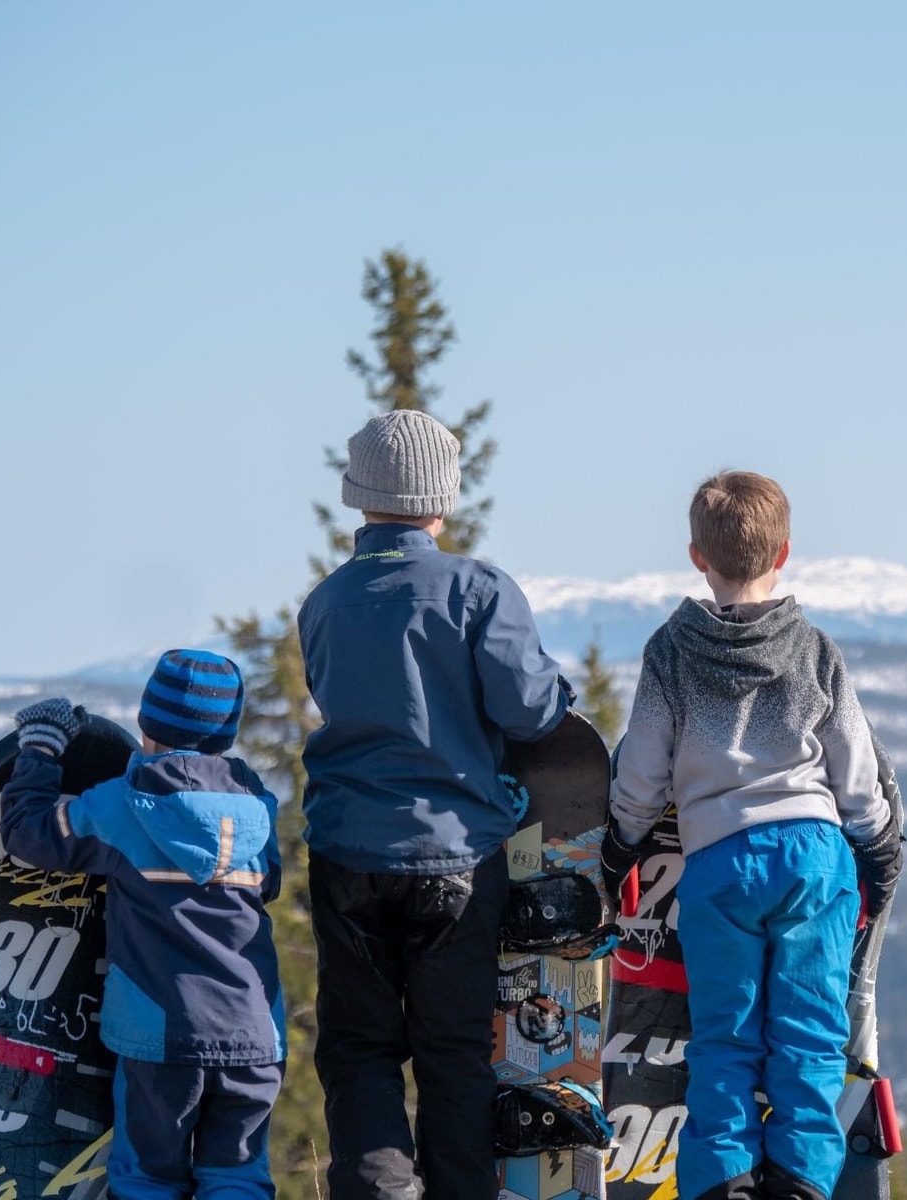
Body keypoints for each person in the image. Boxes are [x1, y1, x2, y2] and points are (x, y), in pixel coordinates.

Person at [600, 470, 905, 1200]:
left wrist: (621, 843)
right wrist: (880, 847)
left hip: (719, 863)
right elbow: (855, 769)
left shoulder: (671, 652)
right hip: (813, 857)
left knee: (725, 1037)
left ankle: (724, 1177)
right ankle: (802, 1176)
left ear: (698, 557)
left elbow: (642, 769)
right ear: (786, 552)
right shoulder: (813, 649)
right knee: (808, 1033)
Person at [298, 408, 573, 1200]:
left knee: (359, 1051)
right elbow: (531, 711)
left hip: (346, 850)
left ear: (359, 497)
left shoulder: (325, 602)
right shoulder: (478, 589)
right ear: (441, 498)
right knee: (454, 1052)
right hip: (459, 855)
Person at [0, 651, 285, 1200]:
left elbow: (28, 833)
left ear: (145, 722)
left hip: (162, 1034)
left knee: (148, 1181)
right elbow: (268, 883)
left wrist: (40, 745)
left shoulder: (125, 807)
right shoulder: (260, 809)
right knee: (239, 1180)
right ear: (226, 733)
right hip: (254, 1033)